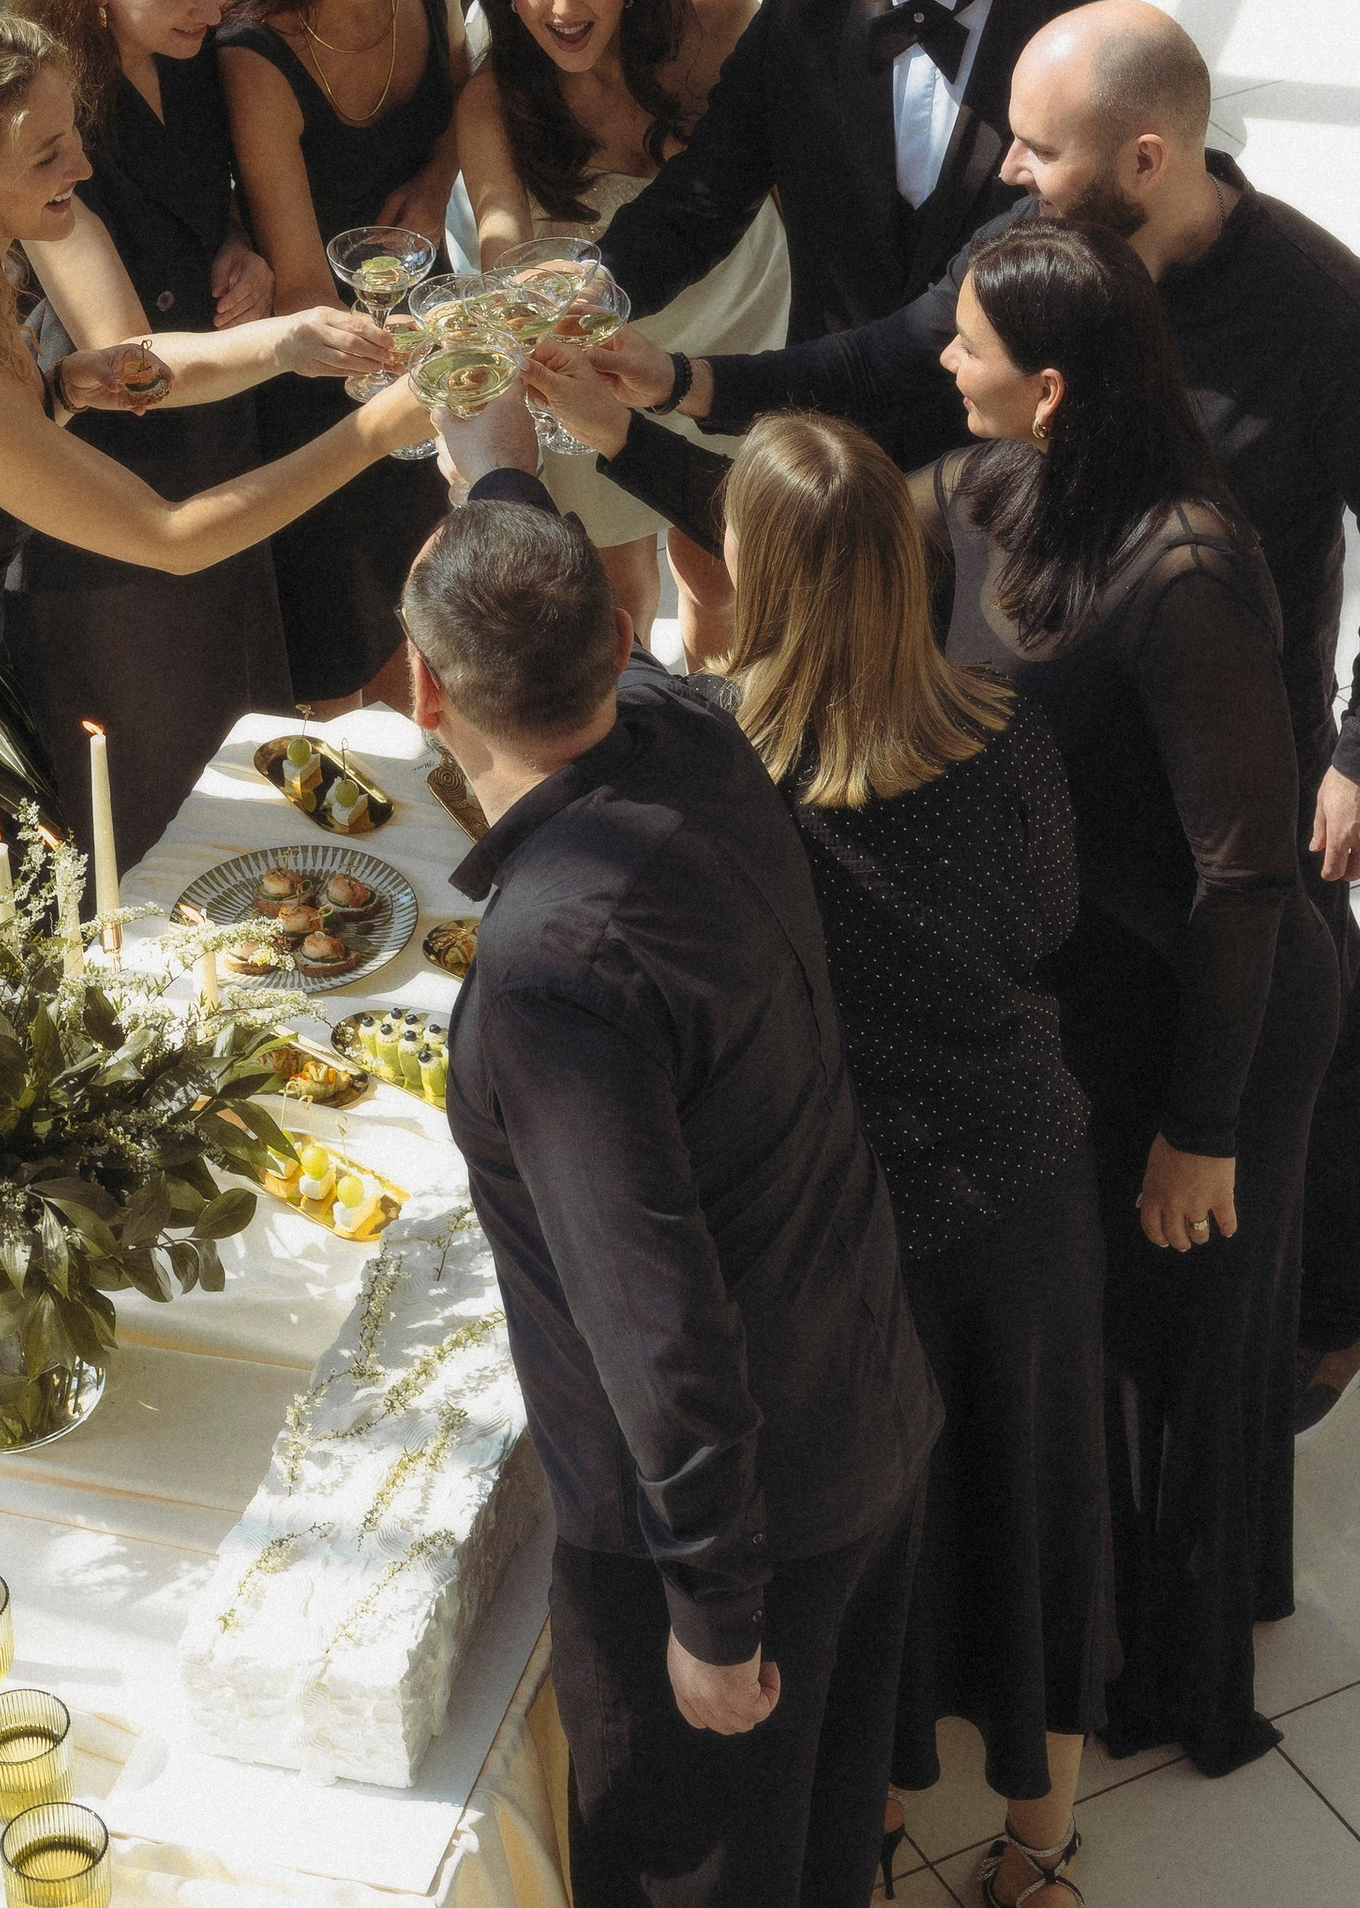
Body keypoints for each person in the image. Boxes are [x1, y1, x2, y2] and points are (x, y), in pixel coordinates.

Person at [532, 225, 1339, 1780]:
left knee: (1174, 1356)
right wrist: (619, 435)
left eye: (962, 346)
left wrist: (1201, 1127)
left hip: (1199, 1007)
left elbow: (1248, 875)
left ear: (1048, 389)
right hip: (1051, 967)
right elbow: (806, 550)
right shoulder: (983, 485)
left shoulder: (1180, 570)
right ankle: (1052, 1661)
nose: (938, 363)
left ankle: (1173, 1673)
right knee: (1075, 1361)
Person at [584, 0, 1360, 1428]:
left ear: (1147, 160)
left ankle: (1324, 1314)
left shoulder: (1321, 339)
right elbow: (846, 464)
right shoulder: (1001, 445)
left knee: (1304, 1051)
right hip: (1091, 872)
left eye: (1039, 150)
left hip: (1235, 804)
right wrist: (651, 408)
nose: (1005, 172)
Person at [404, 467, 941, 1908]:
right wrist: (496, 473)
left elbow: (661, 1327)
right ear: (619, 632)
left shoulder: (550, 979)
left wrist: (710, 1605)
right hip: (868, 1383)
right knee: (823, 1842)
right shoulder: (691, 729)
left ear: (424, 695)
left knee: (699, 1876)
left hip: (747, 1513)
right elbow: (567, 604)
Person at [710, 417, 1108, 1908]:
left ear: (754, 569)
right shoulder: (1007, 729)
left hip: (841, 1223)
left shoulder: (722, 766)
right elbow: (1053, 921)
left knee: (873, 1535)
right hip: (1022, 1190)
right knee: (1034, 1510)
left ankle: (867, 1824)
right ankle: (1038, 1856)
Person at [0, 9, 421, 926]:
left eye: (72, 135)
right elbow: (171, 537)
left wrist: (287, 342)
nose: (80, 168)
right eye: (46, 155)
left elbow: (95, 379)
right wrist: (377, 433)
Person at [6, 0, 377, 868]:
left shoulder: (199, 62)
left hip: (223, 437)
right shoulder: (42, 112)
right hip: (112, 472)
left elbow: (201, 212)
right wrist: (287, 336)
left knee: (249, 750)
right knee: (153, 794)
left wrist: (241, 247)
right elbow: (123, 352)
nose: (210, 6)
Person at [592, 0, 1101, 391]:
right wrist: (599, 284)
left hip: (1005, 448)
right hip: (827, 427)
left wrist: (692, 386)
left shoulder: (1083, 38)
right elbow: (704, 195)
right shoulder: (796, 16)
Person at [457, 0, 787, 642]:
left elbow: (776, 160)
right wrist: (518, 319)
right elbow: (503, 235)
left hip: (732, 320)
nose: (564, 7)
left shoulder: (714, 10)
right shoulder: (491, 92)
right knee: (616, 598)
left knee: (725, 573)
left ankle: (725, 733)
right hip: (587, 347)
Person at [220, 0, 471, 712]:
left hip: (427, 332)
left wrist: (441, 176)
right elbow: (296, 293)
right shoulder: (255, 56)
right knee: (339, 659)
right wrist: (424, 381)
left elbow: (463, 101)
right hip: (323, 373)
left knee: (435, 631)